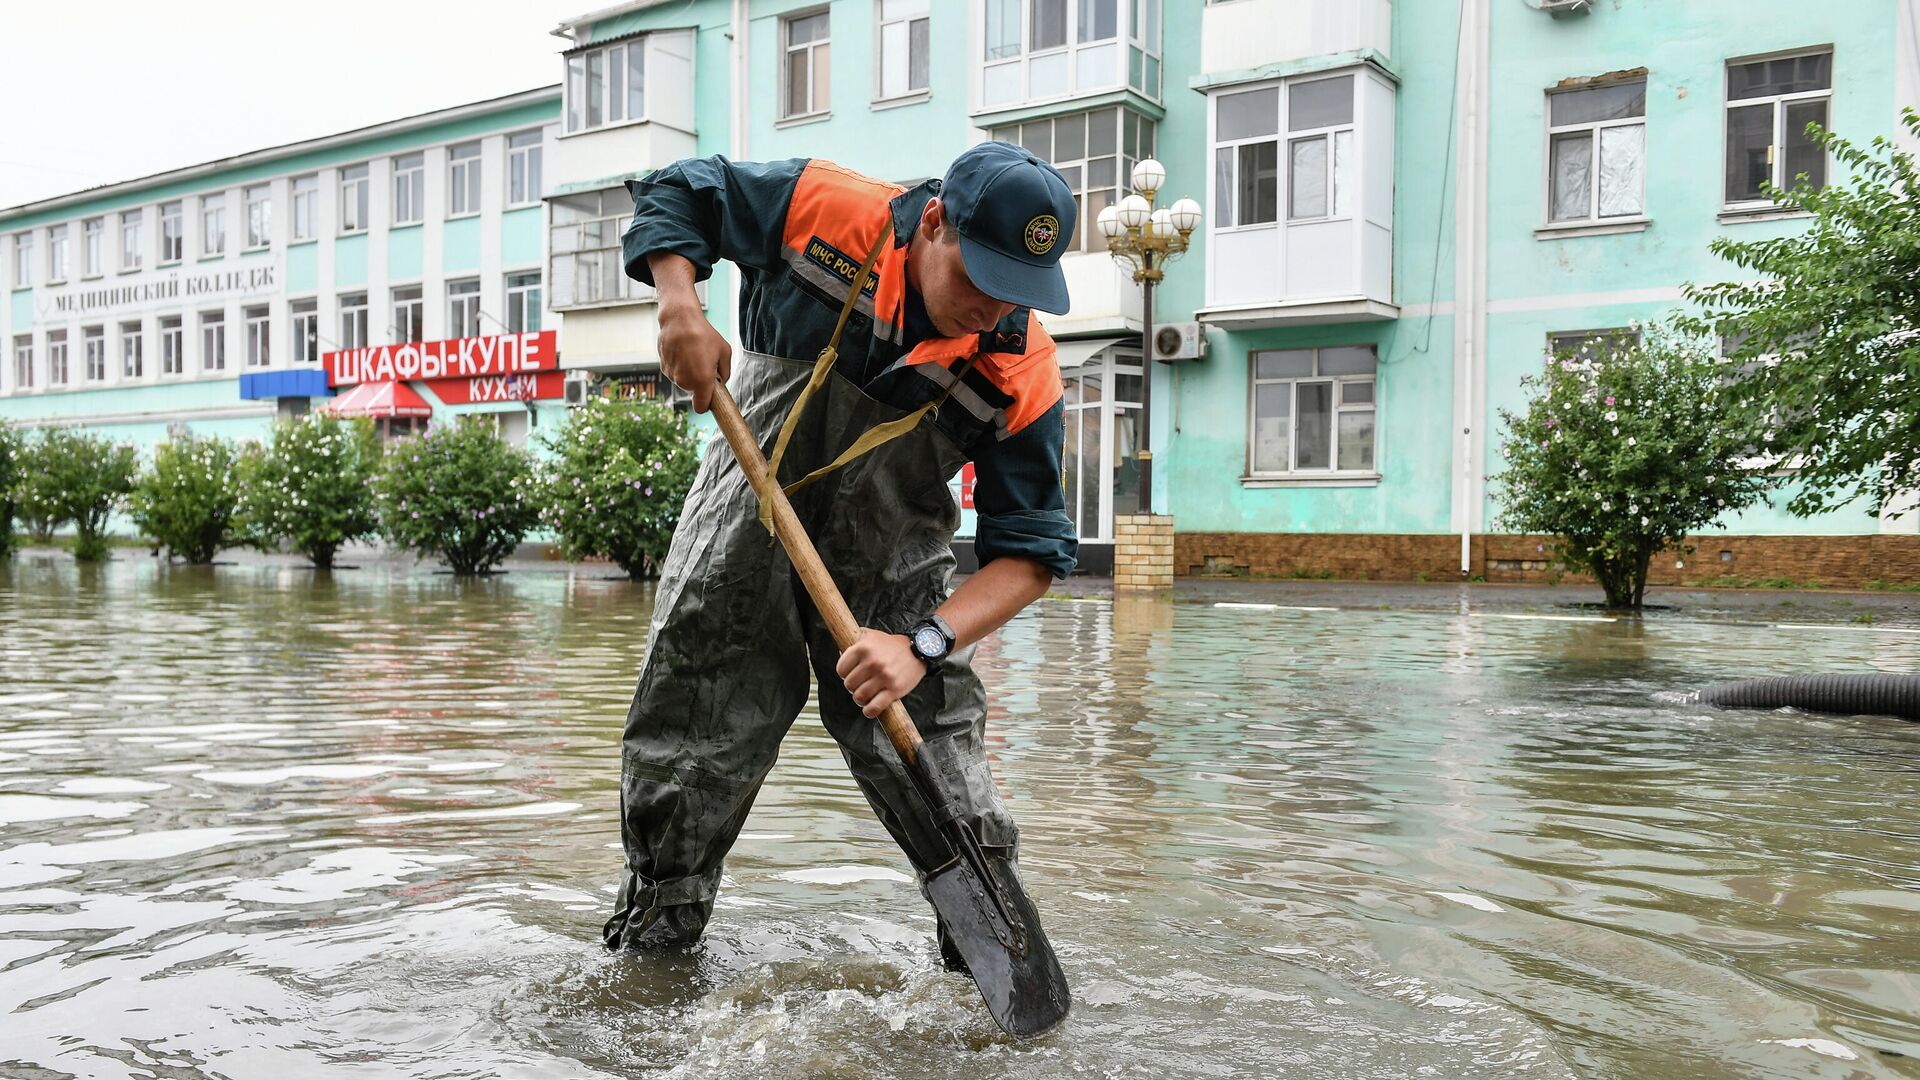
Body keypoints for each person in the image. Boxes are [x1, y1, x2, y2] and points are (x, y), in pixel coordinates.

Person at [603, 142, 1079, 966]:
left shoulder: (1020, 367)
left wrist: (921, 646)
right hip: (739, 539)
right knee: (685, 766)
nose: (993, 308)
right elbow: (681, 190)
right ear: (934, 222)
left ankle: (986, 978)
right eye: (980, 278)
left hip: (892, 585)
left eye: (1017, 292)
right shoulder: (826, 212)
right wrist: (680, 304)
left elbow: (1030, 556)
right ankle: (650, 968)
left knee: (952, 796)